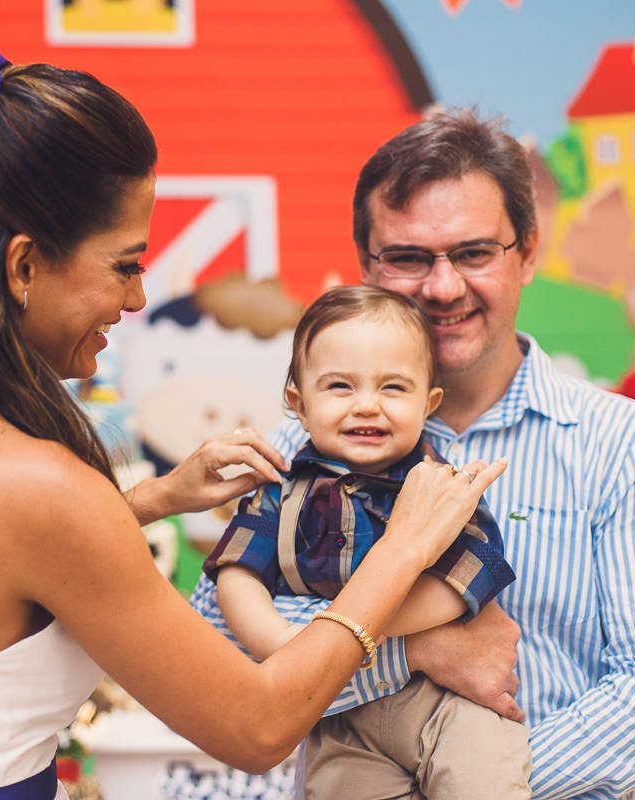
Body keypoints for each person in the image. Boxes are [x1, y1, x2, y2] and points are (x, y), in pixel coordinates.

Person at [0, 48, 506, 800]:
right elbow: (257, 727)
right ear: (23, 267)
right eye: (125, 264)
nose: (136, 299)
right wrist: (404, 549)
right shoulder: (37, 487)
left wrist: (154, 499)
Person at [191, 108, 635, 800]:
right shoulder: (309, 446)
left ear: (527, 253)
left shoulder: (623, 445)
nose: (442, 288)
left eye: (473, 253)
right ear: (368, 268)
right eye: (409, 258)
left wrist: (468, 782)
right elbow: (214, 646)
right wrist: (414, 649)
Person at [203, 285, 529, 800]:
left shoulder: (442, 487)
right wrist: (284, 643)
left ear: (429, 403)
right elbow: (238, 572)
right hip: (338, 713)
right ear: (299, 404)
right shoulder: (280, 492)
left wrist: (352, 629)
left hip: (448, 700)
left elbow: (468, 575)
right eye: (339, 386)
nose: (367, 406)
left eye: (394, 388)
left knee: (483, 783)